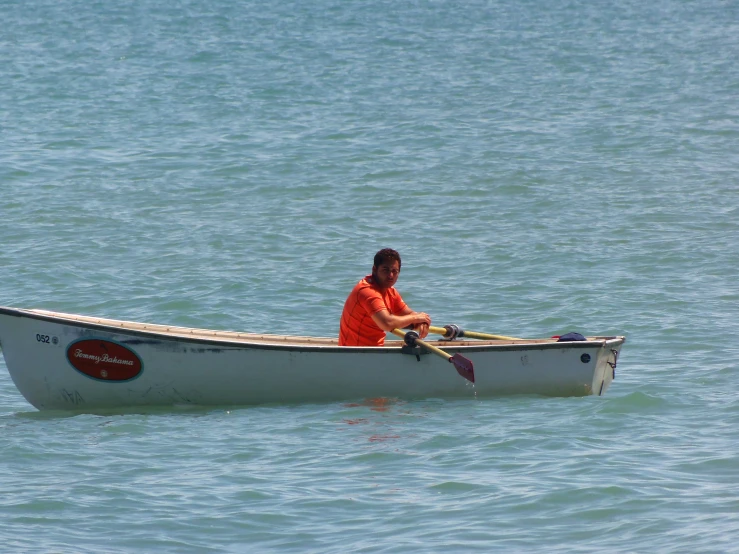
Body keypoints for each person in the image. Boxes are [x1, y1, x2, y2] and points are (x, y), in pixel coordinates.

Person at [339, 248, 431, 346]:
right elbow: (387, 323)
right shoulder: (367, 291)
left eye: (394, 271)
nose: (390, 275)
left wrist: (422, 322)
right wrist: (415, 318)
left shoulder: (390, 291)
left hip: (374, 352)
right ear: (374, 269)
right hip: (355, 354)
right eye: (385, 270)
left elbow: (408, 315)